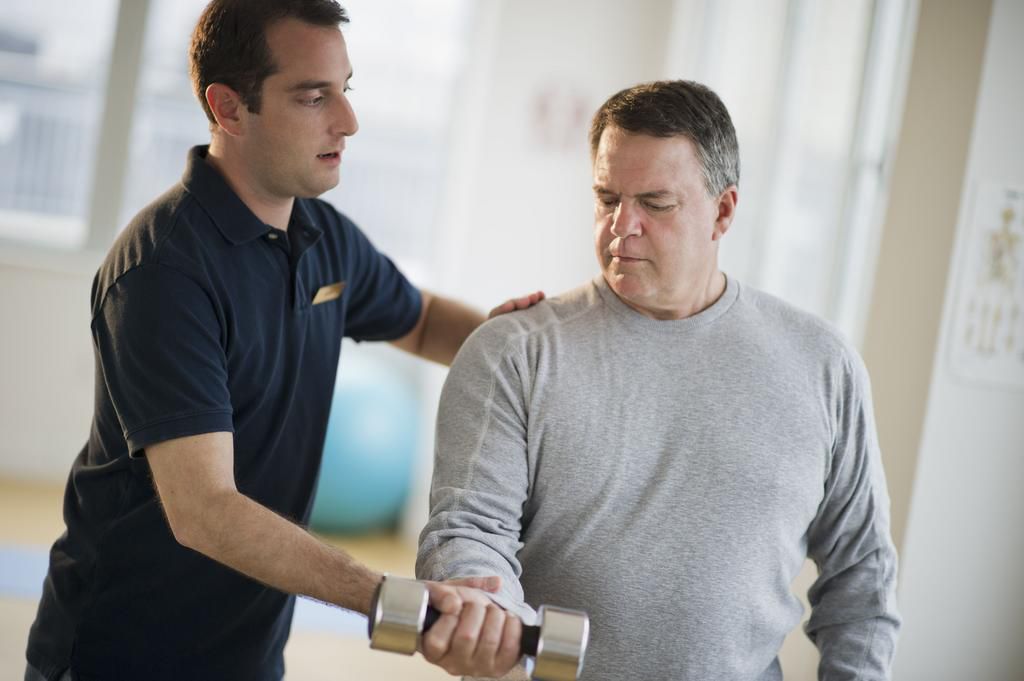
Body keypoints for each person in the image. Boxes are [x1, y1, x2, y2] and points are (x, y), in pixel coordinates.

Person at [25, 2, 535, 680]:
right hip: (119, 653)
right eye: (313, 96)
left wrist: (530, 351)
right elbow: (206, 510)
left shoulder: (324, 237)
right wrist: (390, 599)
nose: (348, 122)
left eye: (344, 90)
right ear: (230, 107)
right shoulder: (163, 270)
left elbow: (419, 317)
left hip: (248, 653)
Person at [417, 79, 901, 680]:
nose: (623, 226)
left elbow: (863, 578)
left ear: (723, 211)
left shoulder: (823, 365)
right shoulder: (513, 351)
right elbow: (468, 531)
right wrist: (478, 600)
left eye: (655, 202)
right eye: (606, 198)